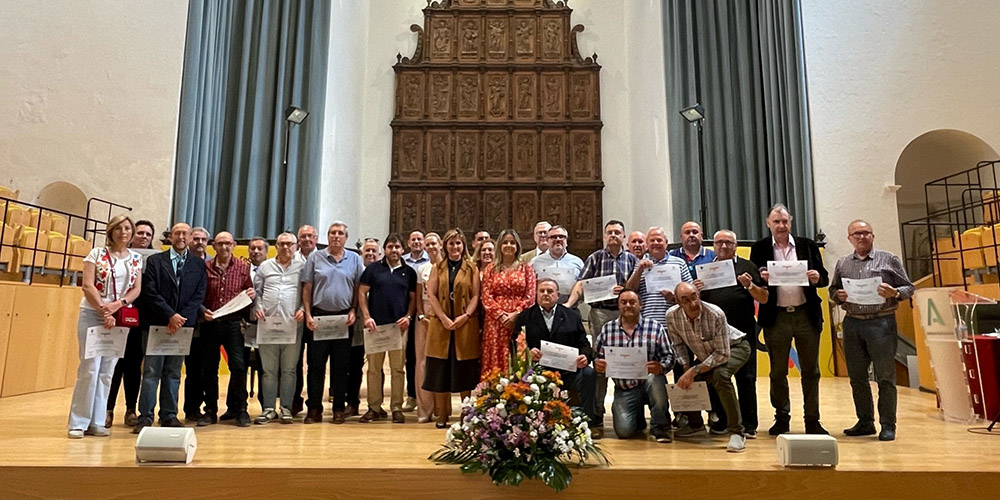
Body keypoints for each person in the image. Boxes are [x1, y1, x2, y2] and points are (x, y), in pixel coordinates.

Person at [830, 220, 914, 441]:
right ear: (849, 238)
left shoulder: (889, 259)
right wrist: (837, 296)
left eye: (866, 232)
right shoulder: (843, 263)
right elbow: (833, 289)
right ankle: (865, 422)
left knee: (885, 376)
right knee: (857, 377)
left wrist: (894, 293)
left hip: (881, 322)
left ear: (873, 236)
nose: (861, 237)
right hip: (852, 322)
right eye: (856, 234)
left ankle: (888, 425)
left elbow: (909, 287)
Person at [749, 203, 830, 435]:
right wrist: (761, 277)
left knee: (811, 371)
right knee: (777, 372)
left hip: (806, 315)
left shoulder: (807, 245)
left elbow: (824, 277)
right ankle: (782, 418)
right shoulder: (760, 247)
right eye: (776, 222)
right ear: (768, 224)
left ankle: (812, 420)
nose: (781, 226)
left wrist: (816, 278)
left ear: (790, 223)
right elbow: (755, 281)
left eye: (785, 221)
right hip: (776, 317)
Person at [68, 215, 143, 439]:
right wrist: (103, 309)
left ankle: (98, 421)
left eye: (128, 228)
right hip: (93, 313)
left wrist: (117, 306)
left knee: (107, 370)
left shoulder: (136, 258)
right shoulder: (97, 254)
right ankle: (78, 422)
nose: (123, 232)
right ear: (110, 231)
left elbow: (136, 289)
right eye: (118, 228)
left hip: (120, 317)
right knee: (89, 368)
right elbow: (88, 285)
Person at [133, 223, 207, 434]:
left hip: (182, 326)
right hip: (157, 323)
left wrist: (180, 318)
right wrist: (170, 315)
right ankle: (145, 416)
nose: (182, 237)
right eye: (177, 233)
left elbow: (198, 295)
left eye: (185, 233)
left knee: (173, 373)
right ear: (171, 237)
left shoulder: (198, 264)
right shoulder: (155, 261)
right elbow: (150, 292)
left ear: (191, 237)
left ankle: (169, 415)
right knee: (151, 372)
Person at [566, 220, 639, 427]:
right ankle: (597, 410)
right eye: (610, 232)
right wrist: (569, 304)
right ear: (605, 236)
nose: (613, 236)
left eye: (617, 232)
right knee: (601, 360)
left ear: (624, 236)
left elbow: (635, 288)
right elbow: (581, 282)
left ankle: (630, 407)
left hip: (625, 315)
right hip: (600, 313)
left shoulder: (632, 260)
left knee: (627, 358)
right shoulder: (595, 258)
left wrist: (624, 289)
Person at [699, 229, 768, 438]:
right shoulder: (707, 269)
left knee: (746, 378)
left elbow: (764, 297)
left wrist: (749, 286)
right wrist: (697, 290)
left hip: (743, 332)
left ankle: (748, 424)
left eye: (728, 243)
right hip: (715, 334)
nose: (723, 246)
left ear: (736, 245)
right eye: (719, 243)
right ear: (714, 246)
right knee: (717, 377)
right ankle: (722, 420)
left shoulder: (747, 266)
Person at [667, 282, 751, 453]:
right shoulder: (671, 316)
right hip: (708, 355)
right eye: (686, 300)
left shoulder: (715, 314)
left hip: (736, 347)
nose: (693, 303)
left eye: (695, 297)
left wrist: (695, 370)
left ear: (699, 295)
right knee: (687, 379)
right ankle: (695, 424)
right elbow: (678, 345)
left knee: (721, 374)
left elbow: (722, 354)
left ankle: (737, 432)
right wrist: (686, 367)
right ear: (678, 303)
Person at [513, 279, 600, 437]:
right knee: (517, 376)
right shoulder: (525, 316)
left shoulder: (572, 316)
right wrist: (527, 352)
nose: (546, 294)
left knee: (589, 374)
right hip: (538, 373)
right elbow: (513, 343)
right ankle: (527, 423)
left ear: (558, 295)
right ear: (536, 294)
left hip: (568, 372)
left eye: (550, 291)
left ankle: (588, 422)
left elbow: (584, 343)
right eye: (542, 291)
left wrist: (584, 357)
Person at [302, 222, 364, 424]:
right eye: (332, 233)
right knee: (316, 366)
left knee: (341, 367)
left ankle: (338, 407)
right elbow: (307, 288)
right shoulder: (315, 257)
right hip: (319, 318)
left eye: (340, 233)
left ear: (346, 238)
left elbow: (358, 288)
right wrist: (308, 314)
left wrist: (354, 309)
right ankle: (314, 409)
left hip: (343, 319)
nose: (336, 236)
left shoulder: (354, 258)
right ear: (327, 236)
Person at [593, 289, 673, 442]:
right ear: (618, 305)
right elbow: (598, 355)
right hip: (625, 388)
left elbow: (669, 356)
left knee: (656, 380)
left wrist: (661, 367)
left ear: (640, 305)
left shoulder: (655, 327)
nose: (628, 305)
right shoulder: (607, 329)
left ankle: (660, 426)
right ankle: (637, 418)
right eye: (623, 302)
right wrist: (598, 364)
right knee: (624, 432)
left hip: (649, 382)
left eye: (632, 302)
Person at [423, 228, 481, 429]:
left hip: (465, 324)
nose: (454, 247)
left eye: (458, 243)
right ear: (445, 246)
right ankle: (442, 415)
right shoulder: (437, 267)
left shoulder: (472, 268)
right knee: (440, 371)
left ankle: (465, 414)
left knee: (464, 371)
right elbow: (431, 295)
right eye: (451, 243)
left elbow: (475, 295)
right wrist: (444, 318)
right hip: (441, 325)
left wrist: (465, 316)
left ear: (463, 245)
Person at [197, 231, 256, 428]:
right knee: (209, 369)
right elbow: (197, 295)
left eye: (228, 244)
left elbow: (248, 293)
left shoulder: (243, 267)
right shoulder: (204, 268)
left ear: (234, 245)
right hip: (210, 324)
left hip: (233, 324)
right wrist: (203, 310)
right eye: (220, 244)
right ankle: (210, 411)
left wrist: (251, 294)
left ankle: (241, 410)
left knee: (238, 367)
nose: (224, 247)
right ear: (213, 246)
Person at [359, 234, 417, 423]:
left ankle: (396, 408)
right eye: (390, 247)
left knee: (398, 369)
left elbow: (413, 299)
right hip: (375, 327)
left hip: (398, 328)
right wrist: (366, 317)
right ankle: (374, 407)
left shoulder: (409, 272)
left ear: (403, 250)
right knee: (374, 369)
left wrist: (408, 316)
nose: (394, 250)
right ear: (384, 249)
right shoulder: (373, 269)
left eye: (397, 247)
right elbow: (361, 292)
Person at [106, 219, 155, 428]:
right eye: (140, 233)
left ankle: (130, 410)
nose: (144, 237)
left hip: (139, 321)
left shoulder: (154, 260)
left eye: (148, 234)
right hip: (114, 316)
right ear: (133, 235)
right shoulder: (115, 257)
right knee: (112, 365)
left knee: (134, 366)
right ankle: (107, 410)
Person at [253, 232, 305, 425]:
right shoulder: (265, 267)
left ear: (296, 246)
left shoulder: (302, 267)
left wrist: (301, 309)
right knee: (268, 371)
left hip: (293, 325)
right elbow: (256, 292)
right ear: (276, 246)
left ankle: (285, 408)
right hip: (267, 325)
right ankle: (268, 409)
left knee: (290, 370)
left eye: (289, 244)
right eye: (282, 244)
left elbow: (307, 292)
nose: (286, 247)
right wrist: (257, 307)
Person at [481, 229, 537, 375]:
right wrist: (501, 315)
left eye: (512, 242)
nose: (509, 245)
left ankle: (519, 393)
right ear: (499, 245)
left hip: (519, 320)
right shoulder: (490, 269)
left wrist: (516, 314)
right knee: (496, 356)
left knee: (517, 354)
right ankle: (495, 394)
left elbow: (530, 296)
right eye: (505, 242)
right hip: (495, 321)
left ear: (517, 246)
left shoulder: (526, 268)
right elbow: (486, 296)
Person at [625, 227, 692, 324]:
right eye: (652, 240)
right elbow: (629, 290)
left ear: (666, 242)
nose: (656, 243)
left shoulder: (679, 263)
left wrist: (674, 298)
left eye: (659, 240)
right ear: (647, 245)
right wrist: (639, 271)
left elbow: (690, 295)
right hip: (648, 323)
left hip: (676, 322)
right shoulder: (640, 264)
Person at [415, 232, 443, 423]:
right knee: (422, 362)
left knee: (440, 362)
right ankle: (424, 408)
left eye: (434, 243)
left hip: (443, 315)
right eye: (428, 244)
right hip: (425, 316)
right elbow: (418, 297)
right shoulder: (422, 268)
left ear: (441, 245)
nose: (431, 247)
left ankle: (441, 408)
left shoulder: (448, 267)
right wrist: (422, 315)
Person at [183, 226, 210, 421]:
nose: (199, 242)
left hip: (210, 325)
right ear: (189, 240)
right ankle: (190, 408)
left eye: (203, 239)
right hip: (187, 321)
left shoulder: (212, 263)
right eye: (196, 238)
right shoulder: (182, 263)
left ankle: (205, 408)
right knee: (191, 368)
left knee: (205, 369)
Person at [292, 224, 319, 416]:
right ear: (298, 239)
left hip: (318, 316)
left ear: (316, 238)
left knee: (315, 362)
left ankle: (314, 403)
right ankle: (294, 401)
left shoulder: (323, 258)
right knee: (294, 362)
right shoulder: (290, 258)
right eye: (303, 236)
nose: (307, 239)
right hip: (294, 318)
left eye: (310, 236)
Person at [402, 230, 429, 412]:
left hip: (424, 312)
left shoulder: (430, 261)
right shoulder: (402, 261)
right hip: (405, 312)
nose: (417, 242)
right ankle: (412, 394)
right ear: (408, 242)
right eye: (414, 239)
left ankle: (428, 395)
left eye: (420, 239)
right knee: (410, 355)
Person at [529, 225, 584, 305]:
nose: (558, 239)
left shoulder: (577, 262)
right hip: (542, 309)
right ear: (548, 241)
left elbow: (582, 285)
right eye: (554, 237)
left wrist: (569, 304)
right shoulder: (535, 262)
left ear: (566, 241)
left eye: (561, 237)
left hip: (570, 308)